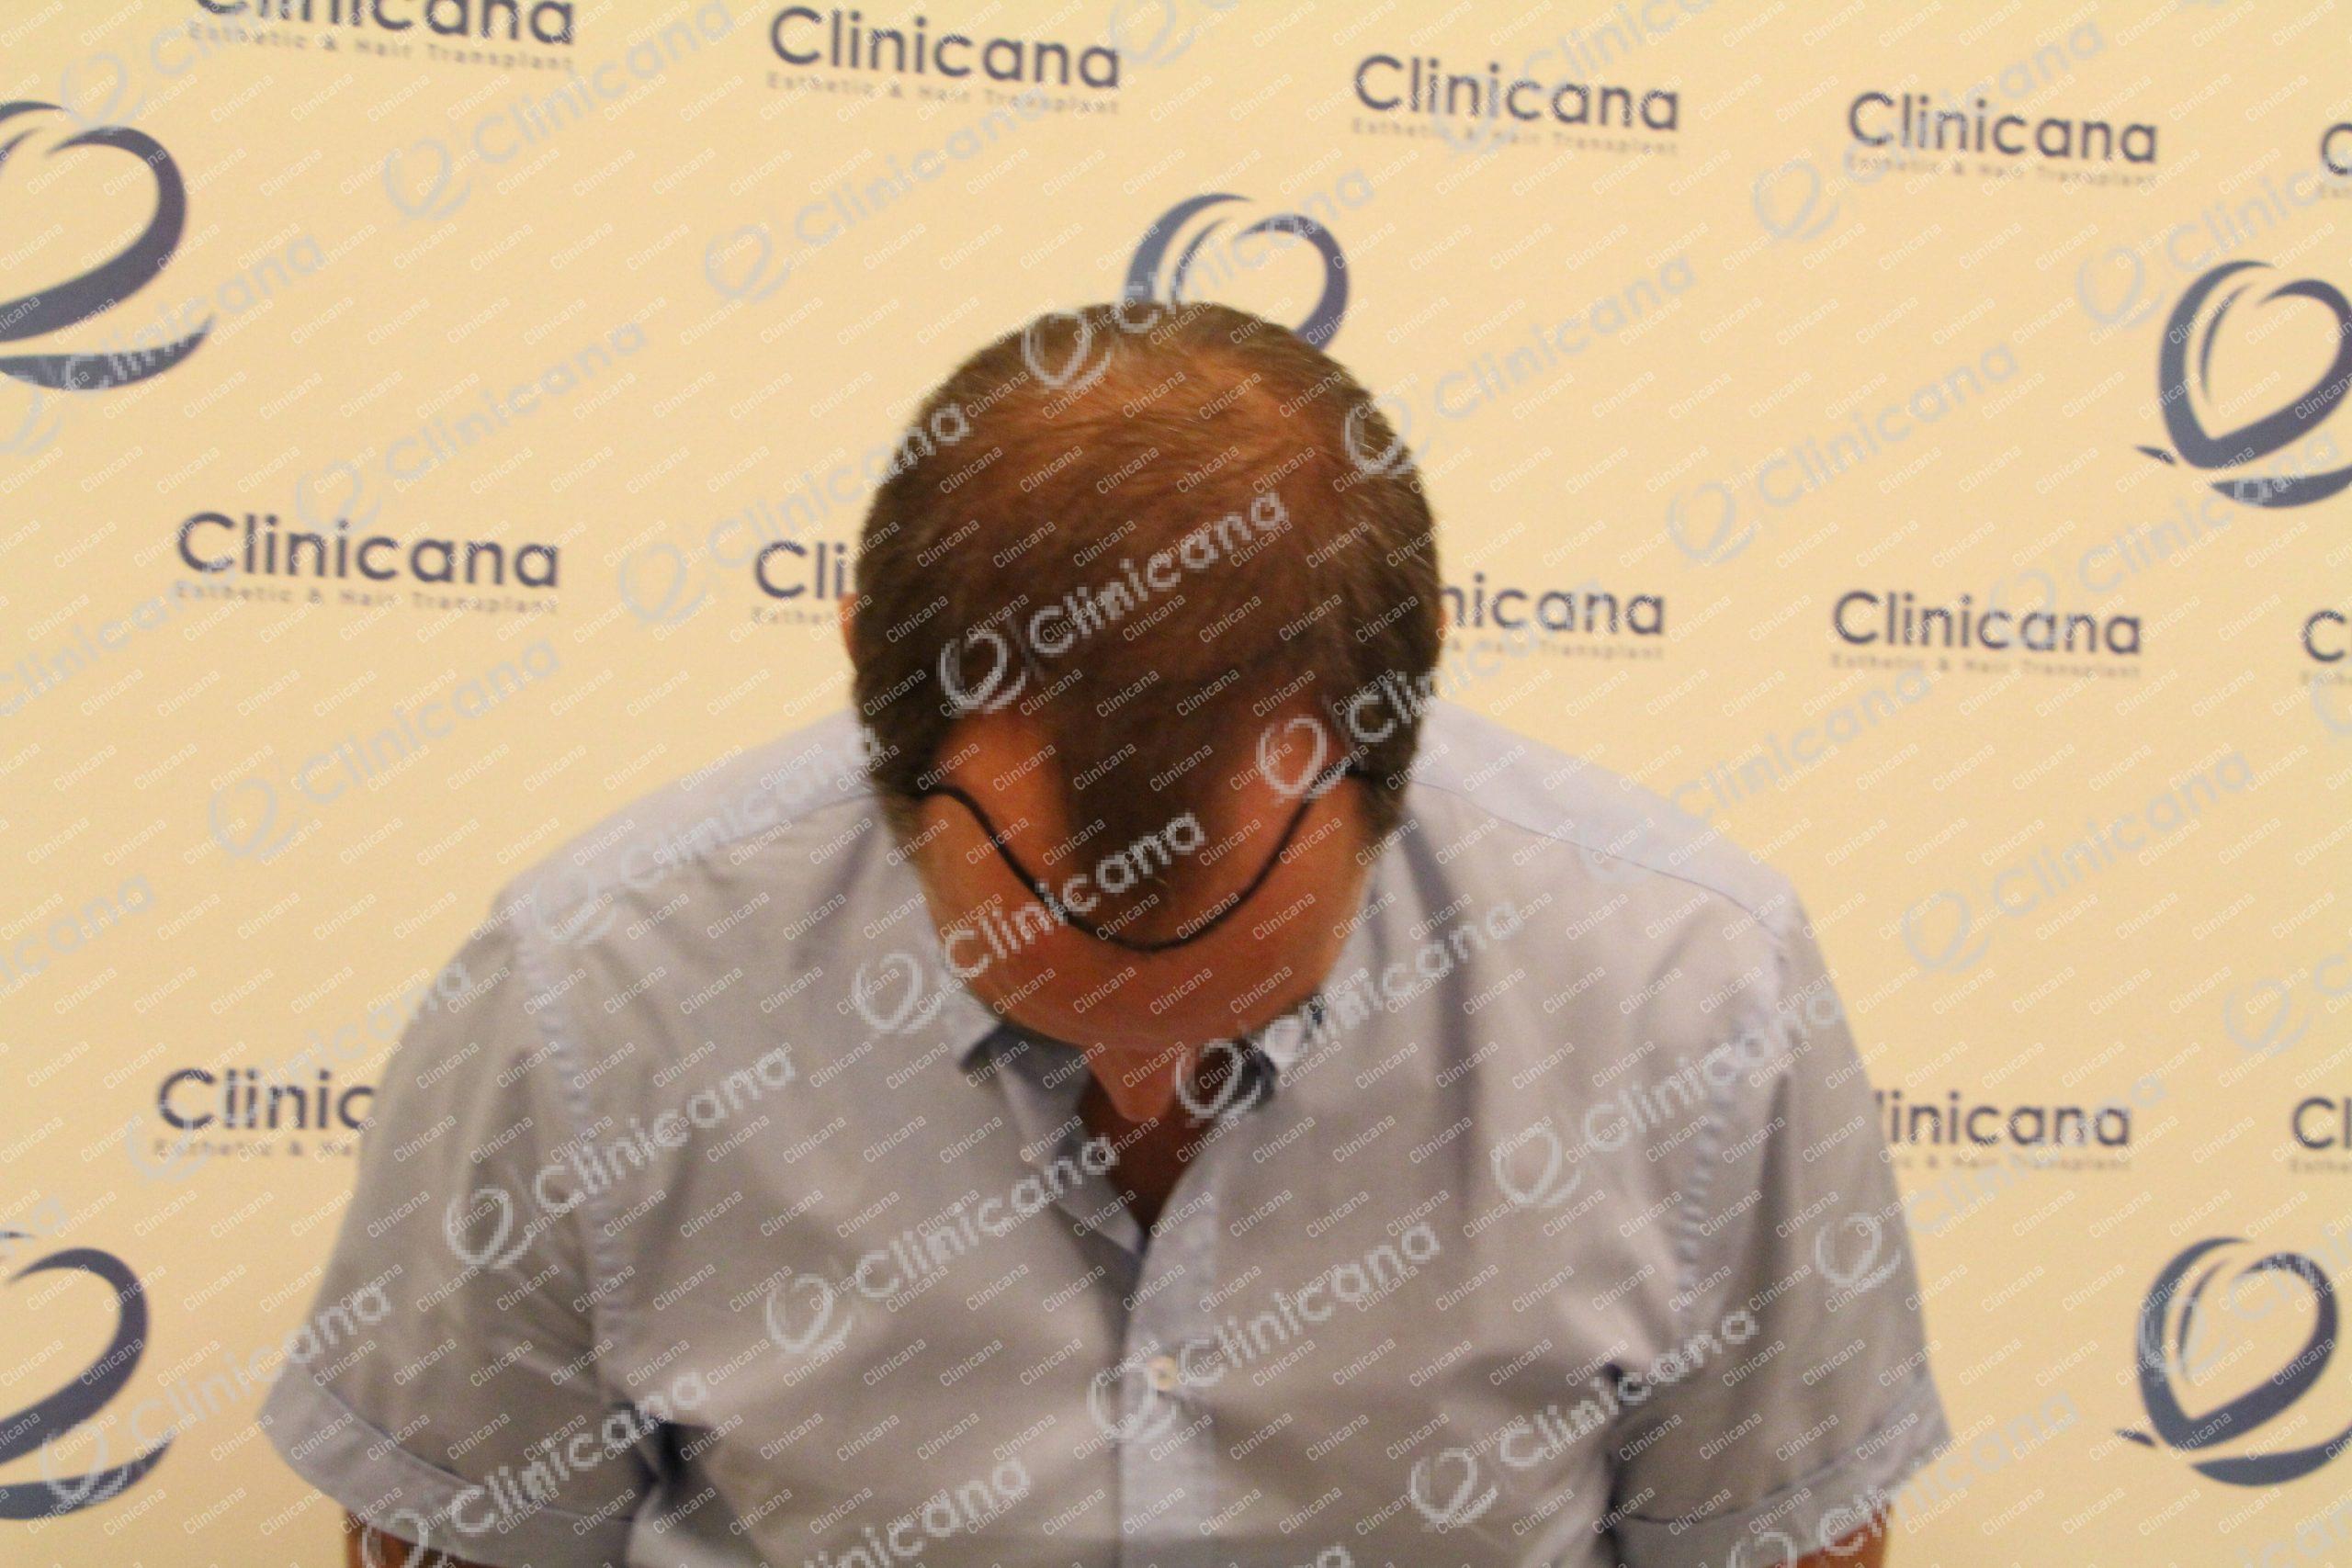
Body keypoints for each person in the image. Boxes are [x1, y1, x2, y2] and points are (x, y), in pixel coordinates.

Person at [260, 300, 1951, 1568]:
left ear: (1412, 690)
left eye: (1240, 1011)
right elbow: (451, 1535)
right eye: (1051, 1007)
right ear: (869, 683)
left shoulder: (1690, 998)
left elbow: (1781, 1537)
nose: (1151, 1092)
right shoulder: (595, 1001)